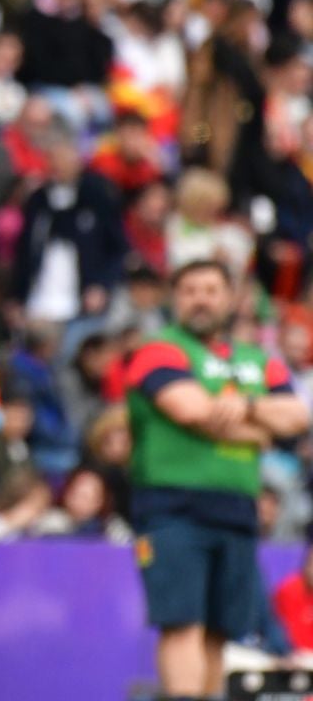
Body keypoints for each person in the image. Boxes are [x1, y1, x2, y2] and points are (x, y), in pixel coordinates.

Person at [125, 258, 309, 701]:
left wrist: (240, 407)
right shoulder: (159, 349)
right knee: (182, 621)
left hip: (237, 508)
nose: (200, 299)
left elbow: (298, 416)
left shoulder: (256, 360)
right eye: (189, 290)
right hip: (172, 506)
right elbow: (190, 409)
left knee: (219, 631)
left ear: (231, 298)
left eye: (210, 289)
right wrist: (260, 431)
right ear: (175, 299)